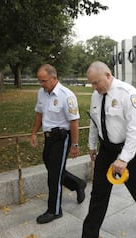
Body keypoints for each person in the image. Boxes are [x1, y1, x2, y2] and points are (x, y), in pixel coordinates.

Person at [68, 61, 136, 238]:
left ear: (108, 75)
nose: (94, 87)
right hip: (106, 150)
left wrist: (124, 159)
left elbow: (135, 129)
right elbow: (94, 122)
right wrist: (92, 145)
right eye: (91, 84)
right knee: (98, 194)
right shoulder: (96, 95)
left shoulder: (128, 94)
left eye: (96, 82)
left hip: (129, 150)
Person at [30, 64, 86, 224]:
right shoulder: (41, 93)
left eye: (44, 80)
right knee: (53, 168)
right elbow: (39, 114)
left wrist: (75, 145)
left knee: (54, 175)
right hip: (48, 137)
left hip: (62, 138)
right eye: (39, 81)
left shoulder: (66, 95)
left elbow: (74, 122)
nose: (41, 84)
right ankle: (78, 184)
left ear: (54, 78)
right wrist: (34, 132)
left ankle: (54, 210)